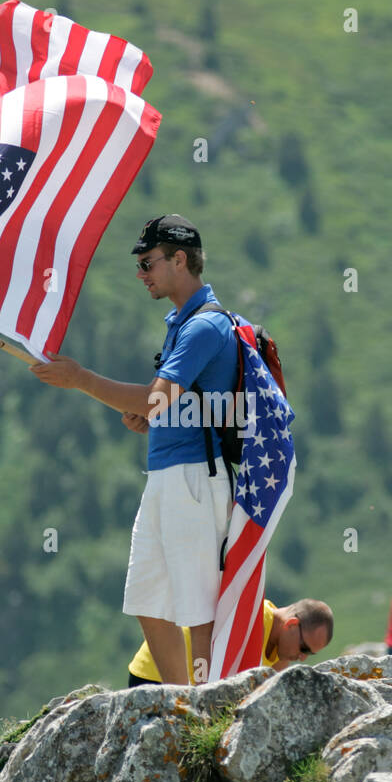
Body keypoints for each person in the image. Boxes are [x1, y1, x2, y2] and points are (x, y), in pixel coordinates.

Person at [31, 214, 243, 685]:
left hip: (195, 476)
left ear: (180, 259)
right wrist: (155, 420)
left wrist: (80, 379)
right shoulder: (181, 323)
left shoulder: (204, 326)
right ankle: (182, 703)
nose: (141, 274)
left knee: (197, 605)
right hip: (169, 472)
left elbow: (155, 397)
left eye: (148, 263)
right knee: (148, 600)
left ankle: (205, 707)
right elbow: (171, 403)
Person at [127, 598, 334, 687]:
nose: (303, 657)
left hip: (187, 685)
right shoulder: (253, 618)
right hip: (155, 675)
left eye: (310, 654)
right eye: (304, 648)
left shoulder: (281, 649)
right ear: (291, 624)